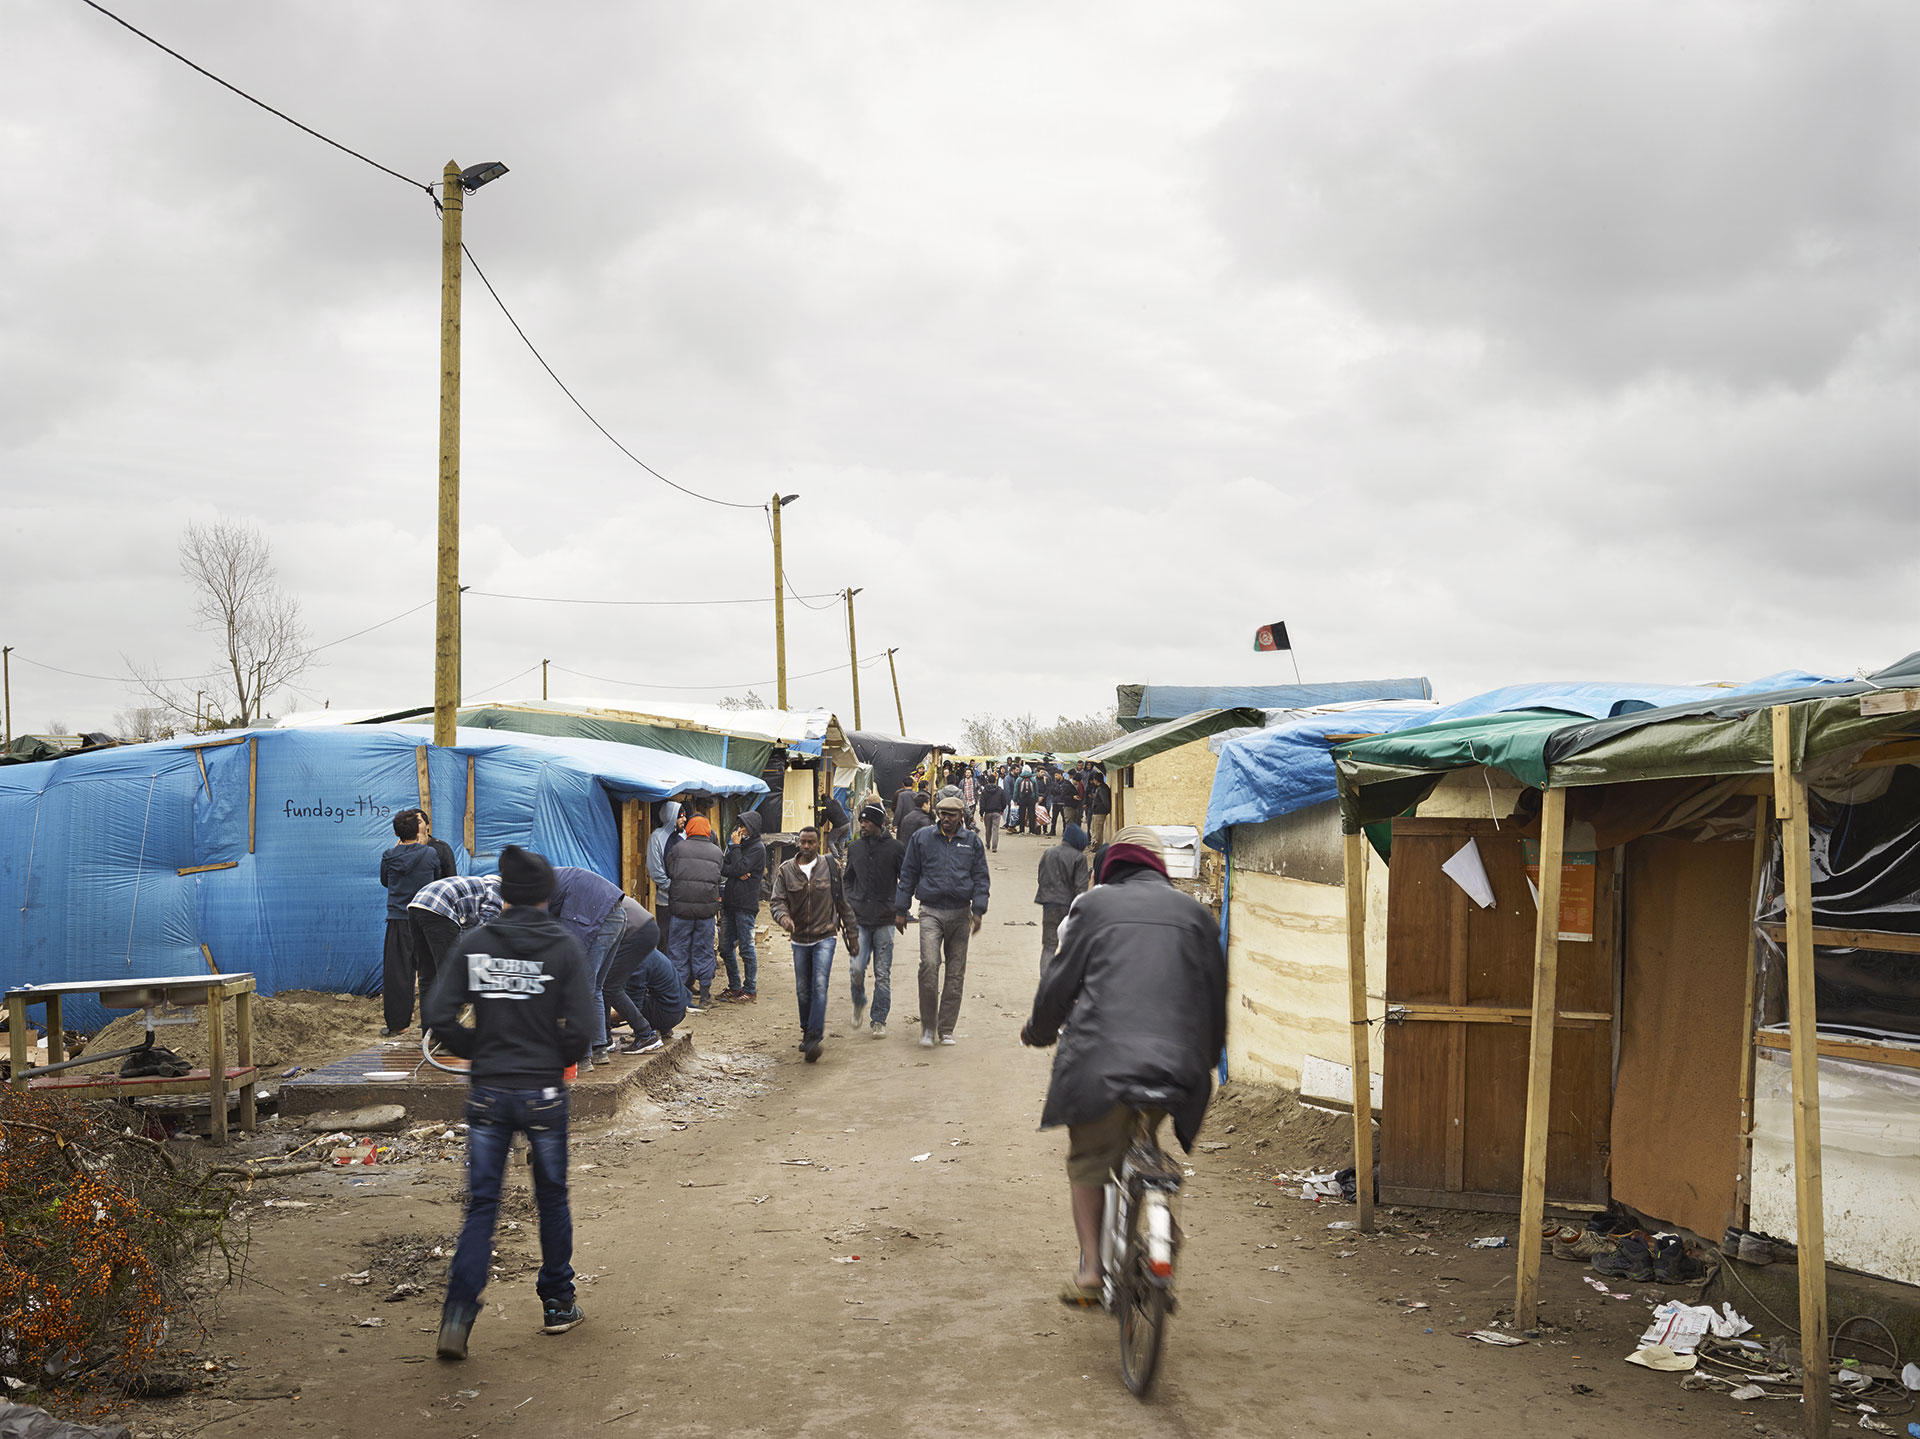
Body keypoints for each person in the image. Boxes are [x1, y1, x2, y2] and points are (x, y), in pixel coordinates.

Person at [1019, 826, 1227, 1308]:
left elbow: (1059, 985)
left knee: (1090, 1159)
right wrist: (1204, 1059)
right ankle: (1161, 1236)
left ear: (1111, 865)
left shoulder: (1093, 907)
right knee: (1144, 1135)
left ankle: (1092, 1271)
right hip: (1176, 1066)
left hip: (1100, 1064)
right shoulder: (1196, 915)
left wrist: (1039, 1030)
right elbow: (1214, 1000)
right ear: (1159, 866)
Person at [425, 845, 597, 1358]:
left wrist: (480, 1049)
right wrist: (548, 1057)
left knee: (482, 1205)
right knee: (552, 1198)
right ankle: (558, 1304)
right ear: (546, 896)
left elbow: (438, 1015)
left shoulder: (476, 942)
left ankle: (457, 1316)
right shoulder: (563, 946)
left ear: (505, 894)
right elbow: (583, 1030)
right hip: (543, 1093)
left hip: (488, 1093)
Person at [894, 794, 990, 1048]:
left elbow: (981, 877)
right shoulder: (922, 838)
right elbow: (908, 873)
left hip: (960, 913)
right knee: (929, 965)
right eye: (942, 814)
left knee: (955, 973)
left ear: (961, 817)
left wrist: (978, 910)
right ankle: (928, 1027)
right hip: (931, 912)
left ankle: (946, 1029)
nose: (946, 819)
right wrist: (901, 908)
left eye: (951, 815)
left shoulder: (971, 842)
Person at [769, 825, 857, 1063]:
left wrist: (852, 934)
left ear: (819, 844)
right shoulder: (786, 870)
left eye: (811, 842)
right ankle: (806, 1030)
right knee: (802, 988)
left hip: (825, 935)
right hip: (799, 939)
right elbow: (777, 901)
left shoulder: (830, 867)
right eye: (803, 842)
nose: (806, 846)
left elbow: (842, 902)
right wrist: (784, 918)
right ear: (798, 843)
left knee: (819, 984)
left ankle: (814, 1038)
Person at [547, 865, 629, 1067]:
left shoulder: (534, 889)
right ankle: (599, 1048)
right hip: (617, 913)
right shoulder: (551, 878)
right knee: (594, 988)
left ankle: (582, 1057)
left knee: (580, 989)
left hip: (597, 916)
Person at [379, 810, 444, 1036]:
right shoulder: (430, 853)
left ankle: (398, 1024)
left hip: (398, 918)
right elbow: (436, 879)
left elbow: (385, 881)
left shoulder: (389, 855)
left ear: (396, 832)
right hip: (425, 916)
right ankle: (432, 1025)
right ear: (418, 830)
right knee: (429, 972)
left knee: (397, 973)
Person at [843, 802, 905, 1037]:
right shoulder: (855, 848)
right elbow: (847, 879)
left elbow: (905, 880)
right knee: (856, 970)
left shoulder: (896, 848)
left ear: (879, 824)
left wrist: (900, 908)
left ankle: (878, 1020)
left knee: (882, 974)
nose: (862, 825)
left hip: (885, 919)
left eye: (867, 821)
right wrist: (849, 900)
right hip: (859, 919)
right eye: (861, 821)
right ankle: (858, 1003)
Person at [407, 872, 503, 1009]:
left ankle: (429, 1021)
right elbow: (484, 931)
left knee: (427, 973)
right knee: (449, 974)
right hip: (439, 907)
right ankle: (446, 1019)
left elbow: (464, 932)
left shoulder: (477, 887)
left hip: (417, 904)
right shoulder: (497, 891)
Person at [599, 897, 670, 1053]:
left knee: (609, 988)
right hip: (643, 927)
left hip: (637, 931)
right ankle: (604, 1038)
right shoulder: (595, 893)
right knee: (605, 984)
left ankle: (645, 1034)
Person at [666, 815, 723, 1008]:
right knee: (704, 950)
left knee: (678, 949)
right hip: (706, 911)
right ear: (707, 830)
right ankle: (705, 995)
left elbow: (670, 872)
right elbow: (718, 876)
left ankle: (680, 998)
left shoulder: (677, 849)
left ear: (689, 829)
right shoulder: (716, 852)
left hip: (680, 910)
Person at [716, 810, 766, 1002]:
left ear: (752, 828)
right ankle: (735, 987)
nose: (739, 830)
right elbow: (724, 867)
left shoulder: (757, 848)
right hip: (730, 904)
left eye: (743, 826)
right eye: (739, 826)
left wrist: (736, 853)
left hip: (745, 906)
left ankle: (750, 989)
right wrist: (737, 869)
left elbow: (737, 868)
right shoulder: (740, 847)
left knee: (746, 949)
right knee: (725, 947)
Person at [1034, 824, 1090, 966]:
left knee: (1049, 946)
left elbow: (1041, 878)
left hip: (1049, 905)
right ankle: (1065, 977)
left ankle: (1045, 978)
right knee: (1070, 947)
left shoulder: (1048, 853)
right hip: (1069, 908)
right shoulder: (1079, 858)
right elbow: (1081, 888)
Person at [620, 940, 689, 1051]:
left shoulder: (637, 961)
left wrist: (605, 1020)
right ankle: (662, 1028)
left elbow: (633, 1005)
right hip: (678, 1010)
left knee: (619, 995)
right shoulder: (646, 951)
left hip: (667, 1014)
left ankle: (644, 1035)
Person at [646, 800, 682, 946]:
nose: (684, 819)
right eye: (680, 816)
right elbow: (655, 869)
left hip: (683, 901)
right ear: (671, 816)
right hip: (665, 900)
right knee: (665, 941)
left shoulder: (683, 835)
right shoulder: (657, 837)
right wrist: (670, 887)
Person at [978, 769, 1007, 852]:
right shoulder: (1000, 790)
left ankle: (987, 844)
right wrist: (1002, 809)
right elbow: (1004, 801)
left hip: (987, 813)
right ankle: (994, 847)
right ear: (995, 781)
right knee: (995, 830)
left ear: (987, 781)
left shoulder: (984, 791)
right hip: (997, 812)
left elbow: (982, 803)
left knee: (988, 829)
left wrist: (981, 814)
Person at [1086, 768, 1112, 849]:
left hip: (1100, 812)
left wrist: (1105, 809)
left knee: (1098, 830)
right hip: (1096, 811)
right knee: (1093, 828)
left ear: (1096, 780)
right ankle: (1094, 844)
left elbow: (1105, 801)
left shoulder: (1103, 789)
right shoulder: (1099, 788)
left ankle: (1097, 846)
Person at [1013, 766, 1039, 836]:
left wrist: (1015, 799)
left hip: (1022, 799)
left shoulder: (1019, 779)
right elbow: (1036, 790)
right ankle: (1032, 831)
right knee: (1031, 814)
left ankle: (1021, 830)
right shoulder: (1033, 779)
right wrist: (1036, 799)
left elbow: (1016, 791)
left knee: (1022, 814)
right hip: (1031, 799)